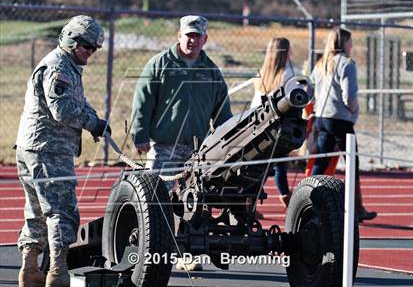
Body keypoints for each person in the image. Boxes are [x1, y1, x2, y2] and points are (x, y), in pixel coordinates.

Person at [15, 15, 111, 287]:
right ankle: (57, 273)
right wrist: (93, 123)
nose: (91, 53)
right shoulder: (59, 67)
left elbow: (77, 101)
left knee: (36, 211)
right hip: (49, 151)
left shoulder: (66, 65)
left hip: (34, 148)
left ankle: (31, 270)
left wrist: (95, 120)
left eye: (94, 49)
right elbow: (64, 110)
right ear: (71, 41)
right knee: (61, 212)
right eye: (87, 47)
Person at [130, 15, 232, 270]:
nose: (192, 40)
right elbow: (142, 102)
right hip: (164, 146)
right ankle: (151, 251)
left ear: (205, 39)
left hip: (199, 150)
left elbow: (223, 113)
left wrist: (228, 143)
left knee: (194, 205)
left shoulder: (211, 71)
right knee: (156, 202)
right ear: (179, 35)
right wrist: (140, 135)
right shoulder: (159, 65)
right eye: (188, 35)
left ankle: (185, 254)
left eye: (197, 36)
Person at [310, 27, 377, 222]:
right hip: (340, 119)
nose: (352, 45)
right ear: (343, 43)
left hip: (322, 117)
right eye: (350, 42)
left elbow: (313, 89)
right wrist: (354, 110)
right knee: (352, 162)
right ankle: (356, 207)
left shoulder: (321, 63)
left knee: (321, 161)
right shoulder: (347, 64)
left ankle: (309, 198)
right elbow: (349, 96)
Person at [250, 37, 294, 208]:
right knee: (273, 165)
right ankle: (283, 197)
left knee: (269, 165)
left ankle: (281, 196)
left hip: (257, 125)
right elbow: (293, 99)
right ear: (284, 53)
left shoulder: (262, 73)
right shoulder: (287, 73)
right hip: (276, 126)